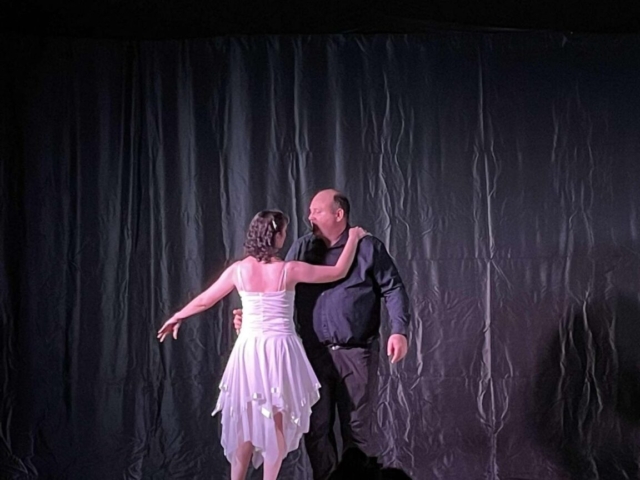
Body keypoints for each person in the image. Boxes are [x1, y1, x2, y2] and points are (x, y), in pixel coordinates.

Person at [157, 210, 368, 480]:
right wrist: (354, 237)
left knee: (246, 419)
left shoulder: (239, 270)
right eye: (283, 232)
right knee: (276, 421)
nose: (285, 237)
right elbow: (338, 271)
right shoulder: (288, 270)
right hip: (280, 350)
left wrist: (177, 316)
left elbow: (204, 300)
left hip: (249, 350)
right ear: (276, 236)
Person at [234, 189, 411, 480]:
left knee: (357, 429)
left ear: (338, 214)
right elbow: (277, 287)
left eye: (317, 211)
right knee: (316, 429)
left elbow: (393, 288)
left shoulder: (368, 247)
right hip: (311, 354)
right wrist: (252, 316)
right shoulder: (303, 247)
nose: (310, 216)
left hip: (356, 353)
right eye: (310, 211)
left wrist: (399, 331)